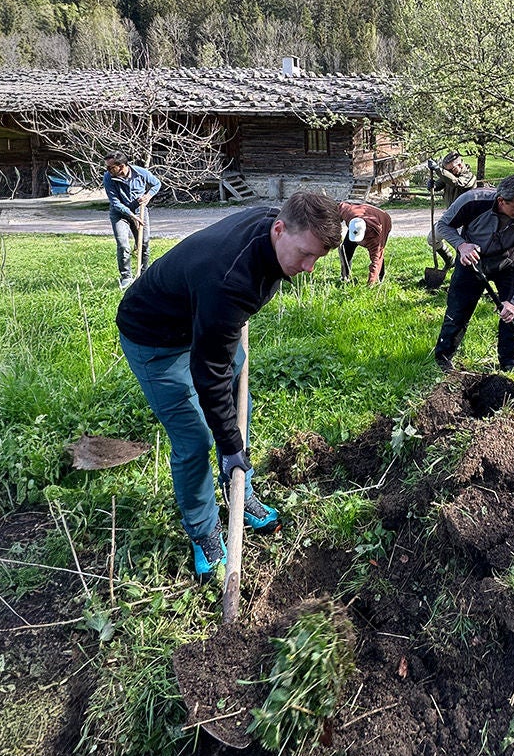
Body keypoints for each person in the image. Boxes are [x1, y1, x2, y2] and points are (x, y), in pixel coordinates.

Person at [116, 192, 343, 576]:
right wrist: (228, 443)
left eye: (317, 258)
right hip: (155, 338)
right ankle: (203, 530)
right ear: (279, 229)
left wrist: (232, 443)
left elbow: (217, 355)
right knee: (195, 439)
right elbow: (209, 373)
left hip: (207, 319)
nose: (309, 267)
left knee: (241, 409)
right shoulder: (230, 282)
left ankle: (241, 490)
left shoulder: (279, 225)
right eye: (306, 254)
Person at [432, 175, 514, 372]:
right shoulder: (472, 202)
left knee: (513, 314)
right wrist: (461, 245)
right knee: (458, 309)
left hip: (507, 264)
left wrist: (512, 302)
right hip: (471, 261)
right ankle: (443, 358)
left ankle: (511, 363)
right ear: (501, 201)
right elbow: (443, 225)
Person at [103, 154, 162, 288]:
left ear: (121, 166)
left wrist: (148, 196)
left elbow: (156, 183)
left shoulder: (140, 172)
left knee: (144, 243)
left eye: (110, 167)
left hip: (139, 211)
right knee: (124, 245)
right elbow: (115, 202)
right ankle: (126, 277)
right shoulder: (108, 178)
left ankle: (143, 275)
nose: (107, 170)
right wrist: (131, 215)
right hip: (119, 214)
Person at [424, 153, 478, 272]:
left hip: (465, 222)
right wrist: (432, 185)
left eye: (452, 169)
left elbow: (456, 183)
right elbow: (440, 183)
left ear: (460, 164)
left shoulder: (469, 177)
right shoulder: (451, 174)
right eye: (448, 170)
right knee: (432, 239)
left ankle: (463, 275)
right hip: (449, 219)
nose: (451, 172)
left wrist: (439, 170)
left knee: (462, 249)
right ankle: (449, 261)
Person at [338, 200, 393, 286]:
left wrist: (370, 284)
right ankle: (345, 277)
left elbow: (376, 261)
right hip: (361, 218)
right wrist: (334, 223)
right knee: (345, 249)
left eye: (358, 239)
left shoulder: (375, 239)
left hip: (384, 220)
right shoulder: (349, 214)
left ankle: (380, 278)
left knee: (378, 255)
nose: (357, 241)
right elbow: (339, 207)